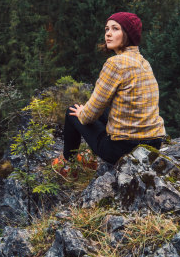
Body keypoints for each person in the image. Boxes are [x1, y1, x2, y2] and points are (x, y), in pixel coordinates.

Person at [53, 12, 166, 174]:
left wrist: (81, 113)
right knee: (104, 110)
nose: (108, 33)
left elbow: (89, 115)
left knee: (72, 113)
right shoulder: (143, 61)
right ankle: (82, 159)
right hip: (154, 143)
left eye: (115, 29)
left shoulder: (115, 63)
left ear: (128, 34)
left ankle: (67, 164)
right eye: (107, 29)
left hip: (124, 149)